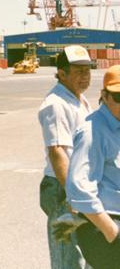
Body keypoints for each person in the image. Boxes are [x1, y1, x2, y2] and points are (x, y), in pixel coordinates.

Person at [39, 45, 94, 268]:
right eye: (78, 71)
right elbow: (57, 151)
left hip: (78, 186)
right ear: (62, 73)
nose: (85, 76)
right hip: (63, 189)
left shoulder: (79, 99)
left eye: (88, 70)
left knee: (83, 254)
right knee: (67, 258)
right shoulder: (56, 104)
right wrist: (73, 196)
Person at [67, 64, 120, 268]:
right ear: (104, 97)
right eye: (118, 97)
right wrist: (112, 233)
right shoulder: (92, 132)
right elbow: (79, 190)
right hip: (107, 224)